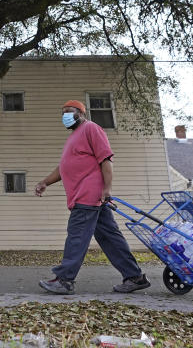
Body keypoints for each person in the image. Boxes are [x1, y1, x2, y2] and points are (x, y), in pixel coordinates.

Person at [34, 100, 150, 295]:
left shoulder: (91, 128)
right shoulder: (74, 136)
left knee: (77, 236)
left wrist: (107, 189)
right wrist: (45, 182)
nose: (65, 116)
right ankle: (134, 277)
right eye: (62, 112)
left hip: (89, 194)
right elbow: (64, 167)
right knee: (109, 237)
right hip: (89, 196)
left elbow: (106, 160)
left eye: (69, 112)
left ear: (81, 113)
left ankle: (64, 280)